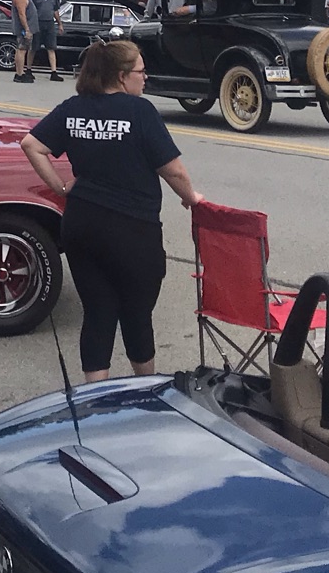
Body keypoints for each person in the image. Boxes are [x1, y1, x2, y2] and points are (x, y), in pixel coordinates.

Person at [19, 37, 202, 382]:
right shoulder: (140, 112)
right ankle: (145, 388)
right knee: (136, 313)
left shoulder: (74, 107)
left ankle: (95, 398)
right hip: (132, 230)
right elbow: (173, 169)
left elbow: (32, 144)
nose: (144, 78)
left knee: (98, 312)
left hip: (82, 225)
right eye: (141, 71)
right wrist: (191, 197)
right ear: (121, 76)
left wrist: (60, 186)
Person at [30, 0, 63, 81]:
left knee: (51, 47)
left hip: (49, 23)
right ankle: (28, 69)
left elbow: (55, 10)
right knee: (33, 47)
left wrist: (60, 24)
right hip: (37, 23)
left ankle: (53, 72)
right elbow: (29, 10)